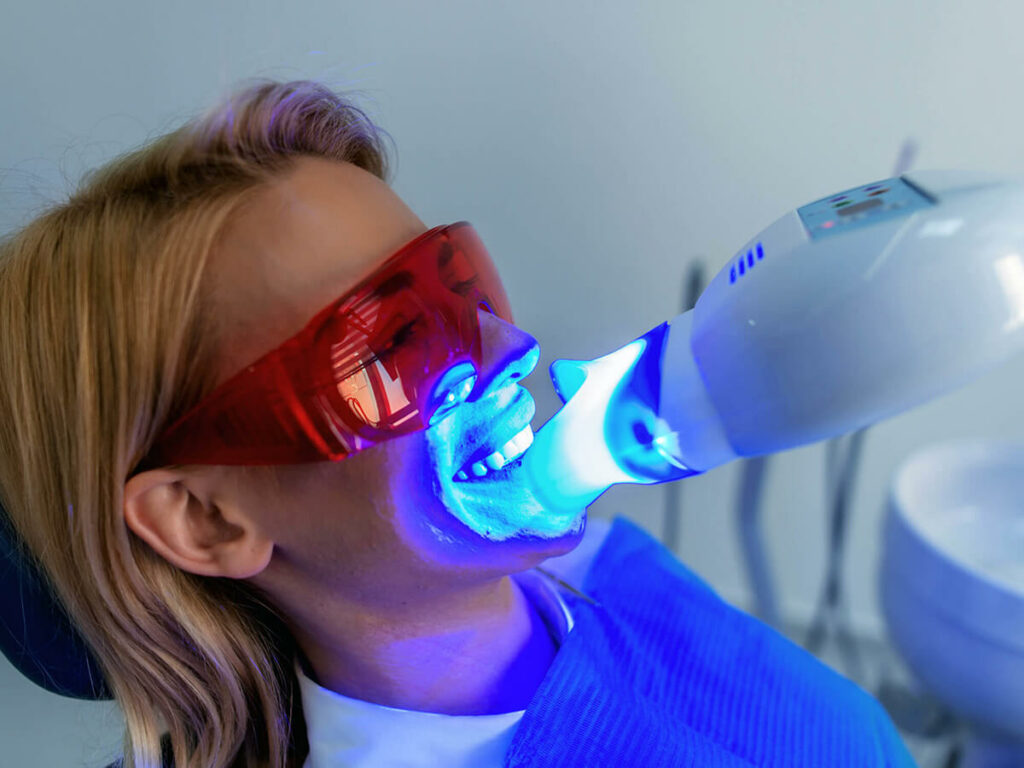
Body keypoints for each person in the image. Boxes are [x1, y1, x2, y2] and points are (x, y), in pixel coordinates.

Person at [0, 80, 915, 768]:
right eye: (394, 340)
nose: (510, 344)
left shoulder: (604, 570)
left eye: (462, 280)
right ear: (209, 519)